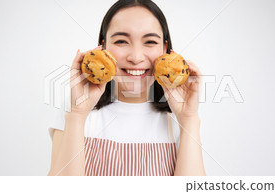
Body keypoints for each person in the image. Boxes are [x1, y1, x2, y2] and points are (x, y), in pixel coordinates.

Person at [47, 0, 205, 176]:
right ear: (103, 46)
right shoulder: (76, 110)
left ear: (165, 49)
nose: (136, 57)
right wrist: (77, 114)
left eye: (150, 42)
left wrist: (188, 119)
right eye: (121, 41)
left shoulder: (179, 118)